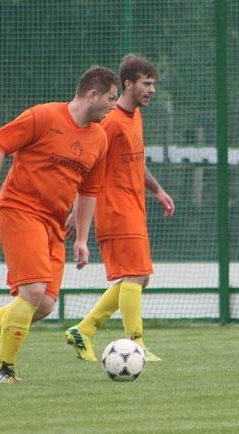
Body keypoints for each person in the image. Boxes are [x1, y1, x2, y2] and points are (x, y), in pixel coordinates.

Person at [0, 66, 120, 383]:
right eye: (111, 98)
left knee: (44, 305)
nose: (113, 106)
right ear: (92, 95)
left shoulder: (100, 138)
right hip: (19, 210)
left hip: (53, 224)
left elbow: (89, 191)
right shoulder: (43, 116)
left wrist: (81, 239)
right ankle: (3, 369)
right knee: (32, 291)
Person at [65, 55, 175, 362]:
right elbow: (88, 165)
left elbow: (136, 161)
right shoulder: (110, 122)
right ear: (128, 84)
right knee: (135, 275)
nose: (152, 90)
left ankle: (83, 330)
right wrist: (77, 210)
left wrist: (157, 190)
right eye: (147, 84)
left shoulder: (134, 116)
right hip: (114, 208)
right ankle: (135, 344)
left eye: (153, 84)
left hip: (134, 206)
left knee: (139, 278)